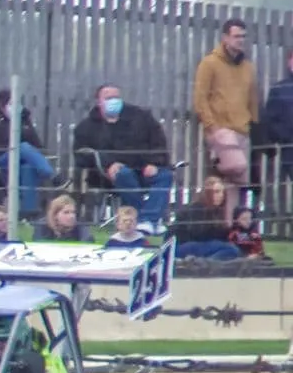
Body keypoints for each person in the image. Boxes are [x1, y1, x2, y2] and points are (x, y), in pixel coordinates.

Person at [72, 84, 175, 230]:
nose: (113, 101)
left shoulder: (141, 118)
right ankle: (144, 220)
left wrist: (154, 163)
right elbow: (82, 155)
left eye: (116, 97)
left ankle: (148, 220)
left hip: (143, 169)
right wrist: (108, 164)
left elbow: (158, 142)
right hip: (108, 177)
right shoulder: (86, 127)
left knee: (165, 175)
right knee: (123, 174)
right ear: (99, 101)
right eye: (108, 98)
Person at [193, 16, 256, 220]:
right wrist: (212, 127)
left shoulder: (248, 67)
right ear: (225, 37)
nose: (240, 40)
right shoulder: (210, 63)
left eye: (243, 37)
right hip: (220, 129)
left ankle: (229, 227)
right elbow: (200, 97)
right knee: (237, 169)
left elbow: (252, 98)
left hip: (242, 130)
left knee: (232, 186)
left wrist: (253, 123)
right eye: (236, 36)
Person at [0, 88, 53, 215]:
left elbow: (38, 145)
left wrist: (24, 125)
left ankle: (28, 213)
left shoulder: (23, 121)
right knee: (22, 147)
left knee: (28, 167)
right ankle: (51, 175)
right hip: (0, 159)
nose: (15, 107)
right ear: (2, 105)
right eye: (11, 104)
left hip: (20, 161)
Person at [170, 176, 242, 261]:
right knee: (231, 249)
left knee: (231, 249)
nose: (221, 196)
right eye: (216, 192)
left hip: (199, 245)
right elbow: (199, 234)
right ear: (207, 193)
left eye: (223, 192)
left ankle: (202, 261)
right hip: (183, 245)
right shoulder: (197, 208)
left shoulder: (216, 211)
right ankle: (205, 263)